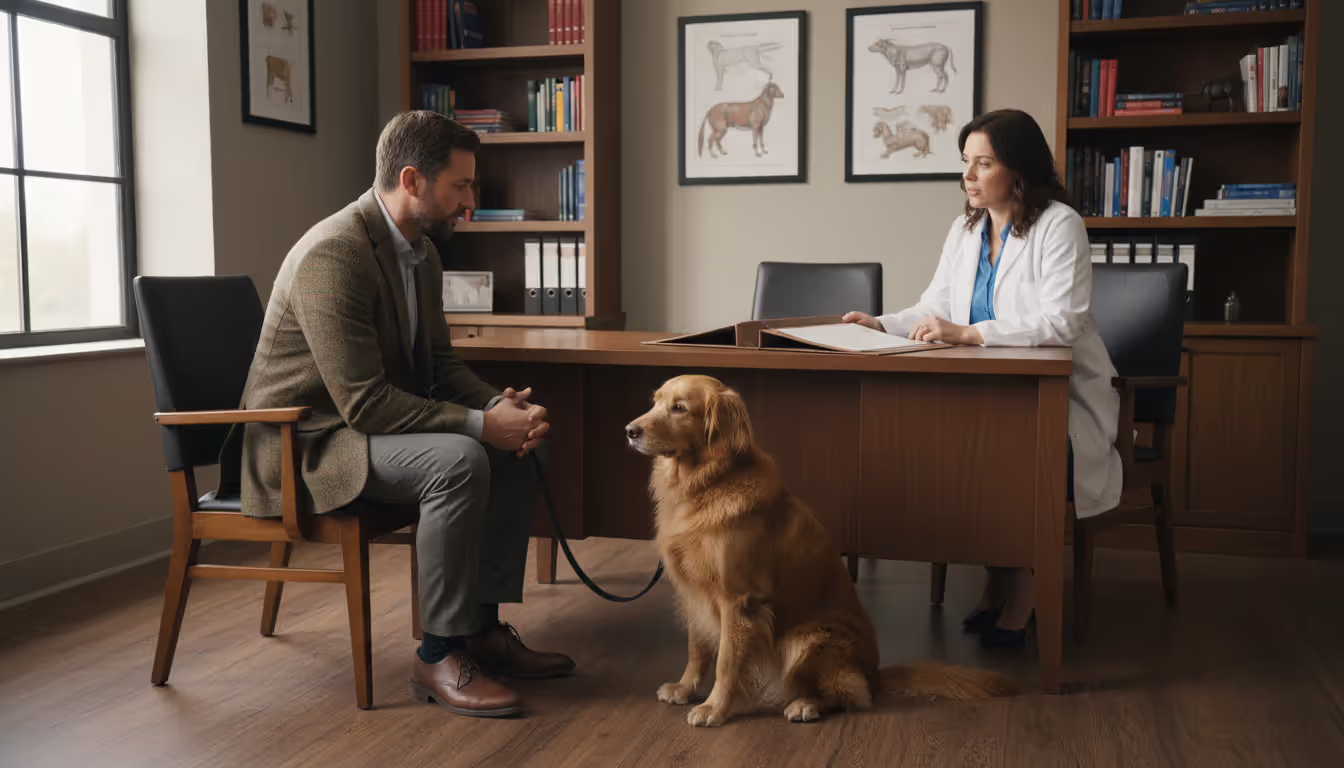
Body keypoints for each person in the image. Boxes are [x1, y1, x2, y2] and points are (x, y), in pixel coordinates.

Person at [227, 111, 573, 717]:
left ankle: (480, 630)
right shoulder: (333, 255)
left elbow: (439, 366)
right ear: (412, 181)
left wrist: (497, 407)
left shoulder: (421, 254)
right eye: (460, 187)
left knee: (518, 444)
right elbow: (362, 402)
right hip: (307, 445)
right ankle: (436, 653)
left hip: (364, 429)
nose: (470, 202)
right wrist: (476, 426)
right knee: (463, 459)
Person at [843, 108, 1121, 649]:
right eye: (965, 163)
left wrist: (973, 334)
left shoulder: (1060, 225)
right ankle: (1003, 572)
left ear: (1018, 170)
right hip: (986, 388)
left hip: (1055, 396)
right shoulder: (966, 227)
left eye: (983, 163)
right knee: (955, 447)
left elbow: (1061, 320)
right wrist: (882, 323)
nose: (968, 176)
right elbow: (936, 305)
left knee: (1004, 449)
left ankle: (1020, 581)